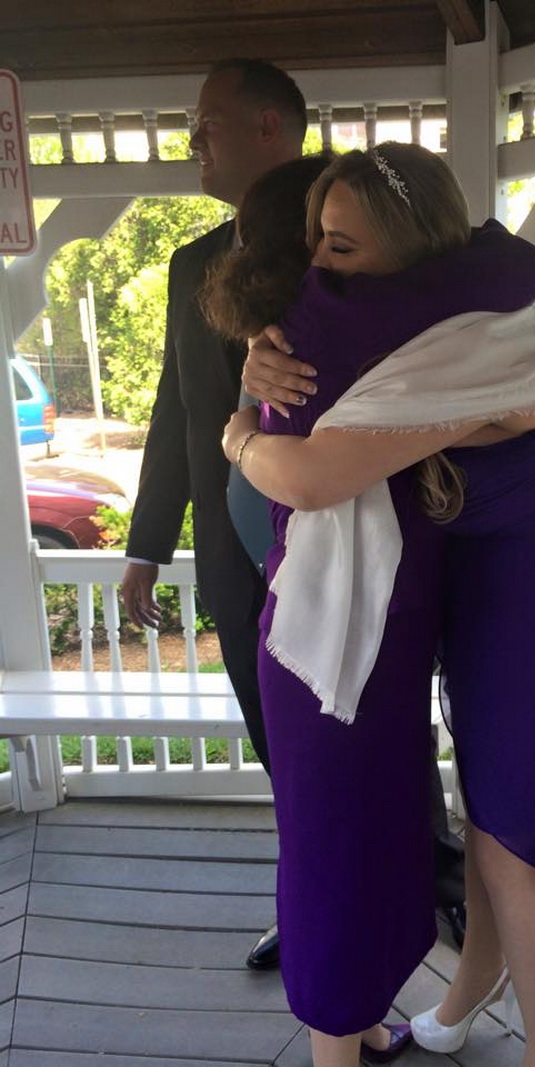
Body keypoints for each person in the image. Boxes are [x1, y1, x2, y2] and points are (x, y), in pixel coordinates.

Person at [224, 143, 535, 1067]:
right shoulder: (432, 312)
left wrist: (239, 433)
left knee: (514, 824)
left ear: (414, 250)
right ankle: (463, 998)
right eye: (317, 241)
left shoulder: (471, 337)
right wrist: (261, 358)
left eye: (341, 247)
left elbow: (314, 475)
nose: (319, 268)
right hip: (497, 572)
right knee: (490, 806)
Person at [120, 58, 306, 970]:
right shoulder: (191, 265)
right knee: (277, 737)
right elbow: (177, 410)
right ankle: (312, 899)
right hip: (232, 558)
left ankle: (425, 878)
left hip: (334, 542)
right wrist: (146, 546)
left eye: (207, 122)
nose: (191, 140)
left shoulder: (345, 245)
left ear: (270, 126)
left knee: (368, 723)